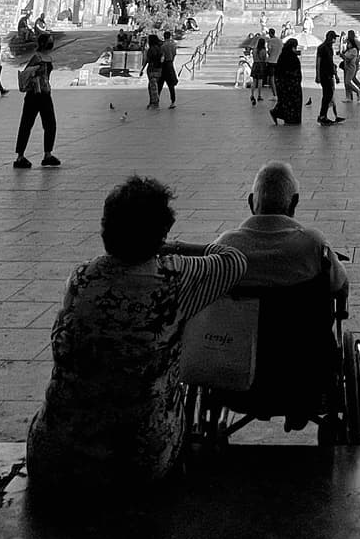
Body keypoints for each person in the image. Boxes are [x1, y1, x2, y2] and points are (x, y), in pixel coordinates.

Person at [25, 176, 246, 490]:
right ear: (161, 233)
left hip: (55, 456)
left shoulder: (81, 277)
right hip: (134, 464)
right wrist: (174, 248)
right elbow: (234, 259)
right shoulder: (175, 277)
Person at [212, 162, 349, 293]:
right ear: (294, 202)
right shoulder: (313, 245)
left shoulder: (225, 246)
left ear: (250, 202)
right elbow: (340, 283)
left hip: (242, 317)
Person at [13, 34, 60, 168]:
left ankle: (48, 154)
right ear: (44, 43)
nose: (52, 43)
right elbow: (27, 73)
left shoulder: (48, 57)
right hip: (34, 94)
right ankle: (20, 157)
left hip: (45, 93)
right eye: (49, 41)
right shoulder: (37, 57)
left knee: (50, 124)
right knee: (26, 125)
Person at [269, 37, 305, 125]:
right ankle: (291, 119)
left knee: (286, 101)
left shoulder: (283, 55)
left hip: (284, 83)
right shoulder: (291, 57)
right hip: (291, 84)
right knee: (292, 102)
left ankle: (279, 113)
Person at [316, 31, 343, 124]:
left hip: (329, 74)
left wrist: (335, 75)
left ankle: (326, 115)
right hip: (325, 74)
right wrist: (318, 75)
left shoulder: (329, 48)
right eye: (334, 38)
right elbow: (318, 62)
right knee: (327, 96)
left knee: (328, 95)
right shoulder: (322, 48)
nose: (335, 40)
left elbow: (331, 63)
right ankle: (322, 116)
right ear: (331, 38)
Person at [341, 31, 360, 99]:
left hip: (354, 62)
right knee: (350, 78)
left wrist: (358, 58)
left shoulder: (356, 42)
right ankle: (350, 95)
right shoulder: (348, 42)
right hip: (348, 61)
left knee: (351, 78)